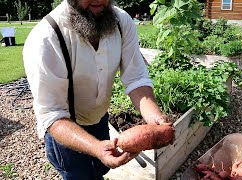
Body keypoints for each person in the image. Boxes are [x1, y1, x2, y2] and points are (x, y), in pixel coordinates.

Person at [23, 0, 170, 179]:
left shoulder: (121, 22)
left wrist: (155, 119)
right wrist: (96, 148)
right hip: (66, 130)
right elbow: (52, 114)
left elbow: (136, 78)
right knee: (78, 175)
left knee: (100, 170)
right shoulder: (46, 38)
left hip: (100, 119)